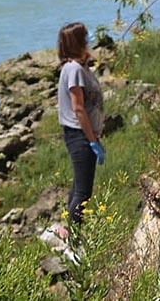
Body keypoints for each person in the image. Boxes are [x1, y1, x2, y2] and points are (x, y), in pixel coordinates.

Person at [56, 22, 105, 224]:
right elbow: (78, 108)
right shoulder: (73, 69)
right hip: (80, 135)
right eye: (85, 37)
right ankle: (75, 240)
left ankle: (71, 234)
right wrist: (92, 140)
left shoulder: (78, 67)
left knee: (78, 187)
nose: (89, 40)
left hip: (84, 134)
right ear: (77, 42)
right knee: (83, 192)